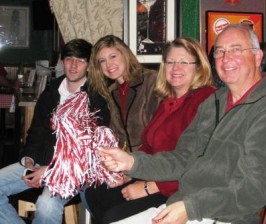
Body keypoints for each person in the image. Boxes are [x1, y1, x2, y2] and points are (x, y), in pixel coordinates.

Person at [98, 24, 266, 224]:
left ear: (257, 57)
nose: (226, 58)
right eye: (220, 51)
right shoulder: (215, 101)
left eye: (236, 50)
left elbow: (255, 189)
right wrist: (131, 162)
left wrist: (191, 207)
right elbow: (183, 157)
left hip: (224, 217)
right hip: (184, 205)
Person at [85, 37, 216, 223]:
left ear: (199, 66)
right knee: (95, 194)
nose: (175, 68)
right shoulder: (169, 101)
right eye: (170, 62)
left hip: (178, 188)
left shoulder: (206, 100)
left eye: (184, 62)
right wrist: (127, 172)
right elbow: (148, 145)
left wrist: (149, 186)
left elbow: (197, 163)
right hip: (150, 170)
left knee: (112, 216)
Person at [0, 39, 110, 224]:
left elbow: (89, 150)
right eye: (69, 59)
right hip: (40, 163)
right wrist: (29, 159)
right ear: (62, 62)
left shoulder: (96, 99)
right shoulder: (50, 93)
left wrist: (51, 170)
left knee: (46, 205)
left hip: (75, 170)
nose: (74, 66)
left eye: (80, 60)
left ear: (89, 66)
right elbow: (36, 133)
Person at [88, 34, 160, 152]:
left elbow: (161, 128)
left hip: (152, 158)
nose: (108, 64)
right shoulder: (109, 92)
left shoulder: (151, 80)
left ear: (125, 54)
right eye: (102, 61)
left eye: (113, 56)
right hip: (125, 162)